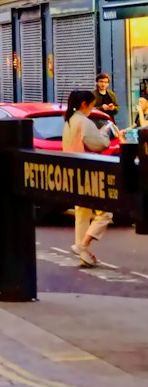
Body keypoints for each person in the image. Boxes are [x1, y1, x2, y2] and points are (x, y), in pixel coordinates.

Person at [63, 90, 113, 267]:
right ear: (85, 104)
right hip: (87, 173)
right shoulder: (84, 121)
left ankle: (83, 253)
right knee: (105, 213)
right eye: (92, 105)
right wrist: (106, 132)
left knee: (82, 213)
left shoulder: (69, 120)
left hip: (72, 172)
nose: (92, 108)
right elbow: (99, 143)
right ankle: (82, 245)